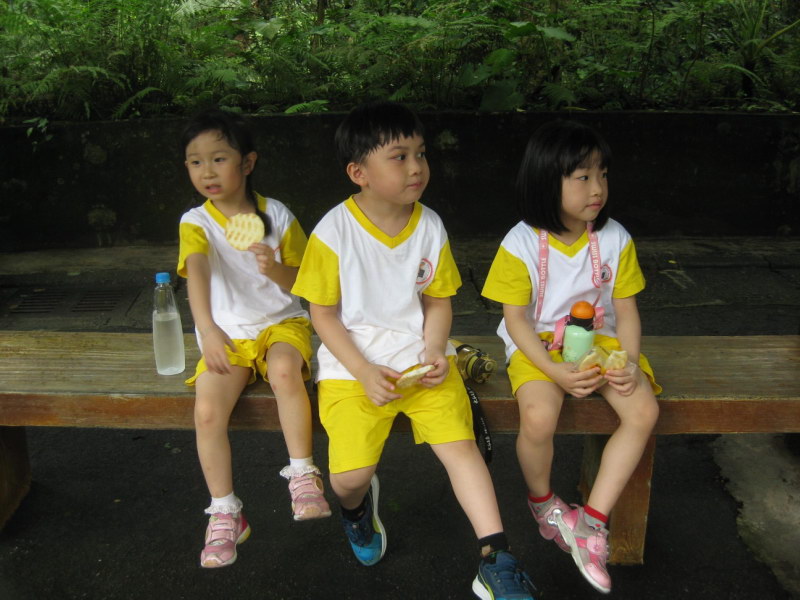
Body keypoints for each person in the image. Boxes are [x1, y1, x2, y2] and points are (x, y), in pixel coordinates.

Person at [291, 101, 536, 600]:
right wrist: (363, 370)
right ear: (358, 173)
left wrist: (435, 349)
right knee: (348, 479)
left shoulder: (429, 224)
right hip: (351, 370)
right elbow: (323, 315)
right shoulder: (333, 231)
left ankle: (497, 557)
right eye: (399, 157)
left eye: (420, 154)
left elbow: (437, 301)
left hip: (421, 365)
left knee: (461, 450)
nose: (417, 166)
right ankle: (358, 512)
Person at [481, 120, 661, 594]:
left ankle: (591, 522)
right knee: (539, 416)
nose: (597, 188)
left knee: (643, 411)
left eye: (602, 174)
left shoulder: (615, 238)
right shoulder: (520, 243)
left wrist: (628, 362)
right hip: (538, 346)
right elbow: (515, 320)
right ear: (546, 181)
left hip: (602, 343)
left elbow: (626, 310)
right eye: (582, 177)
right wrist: (552, 371)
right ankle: (543, 503)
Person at [177, 108, 331, 569]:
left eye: (218, 159)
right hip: (227, 334)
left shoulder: (276, 214)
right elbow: (197, 272)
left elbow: (304, 282)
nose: (207, 172)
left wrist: (274, 268)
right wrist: (208, 331)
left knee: (284, 370)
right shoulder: (195, 222)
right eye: (195, 162)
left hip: (281, 324)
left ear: (247, 163)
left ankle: (302, 474)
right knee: (207, 411)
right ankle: (225, 511)